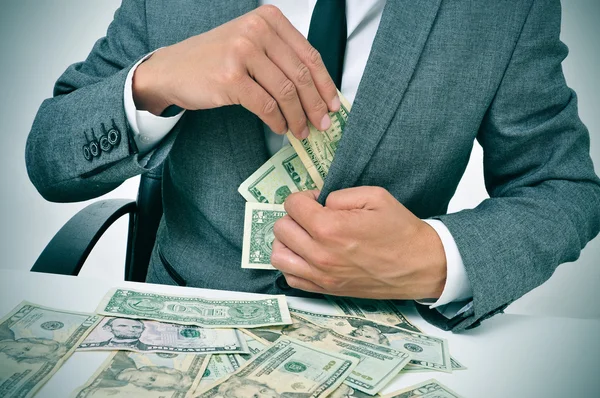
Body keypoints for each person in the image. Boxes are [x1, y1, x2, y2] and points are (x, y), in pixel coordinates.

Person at [26, 0, 600, 332]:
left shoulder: (504, 11)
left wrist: (437, 258)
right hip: (186, 327)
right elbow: (49, 157)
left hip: (388, 338)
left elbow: (563, 185)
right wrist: (154, 80)